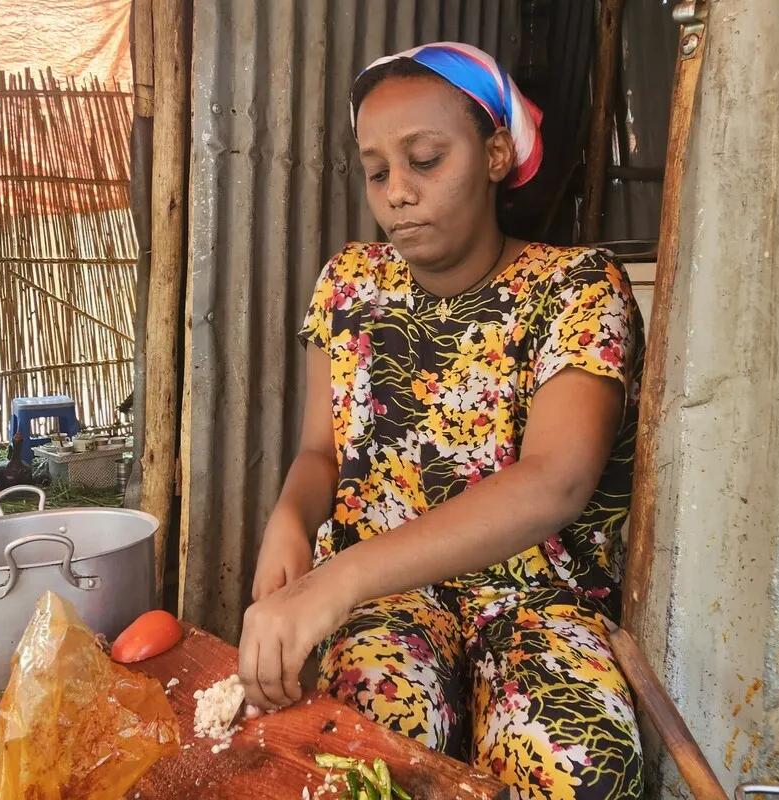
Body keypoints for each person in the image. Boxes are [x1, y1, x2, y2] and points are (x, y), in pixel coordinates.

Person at [239, 42, 646, 800]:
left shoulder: (578, 286)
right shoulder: (350, 283)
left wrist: (336, 579)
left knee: (577, 768)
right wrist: (291, 521)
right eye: (376, 170)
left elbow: (555, 483)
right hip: (388, 605)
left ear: (493, 154)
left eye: (425, 160)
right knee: (359, 755)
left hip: (534, 601)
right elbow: (318, 454)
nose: (396, 191)